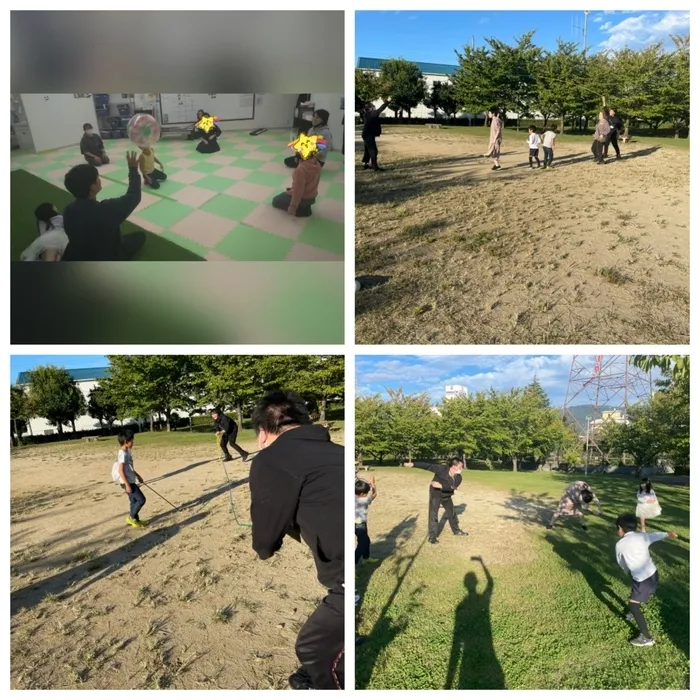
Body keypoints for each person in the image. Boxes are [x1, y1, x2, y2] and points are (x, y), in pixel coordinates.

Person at [249, 390, 344, 691]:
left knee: (311, 647)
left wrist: (267, 548)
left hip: (343, 575)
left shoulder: (270, 459)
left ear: (263, 432)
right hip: (348, 562)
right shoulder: (337, 452)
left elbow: (265, 539)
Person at [62, 152, 145, 261]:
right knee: (140, 236)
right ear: (92, 187)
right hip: (106, 258)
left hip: (77, 256)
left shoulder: (68, 210)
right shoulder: (106, 210)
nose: (99, 179)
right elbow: (134, 196)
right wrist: (133, 169)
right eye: (97, 178)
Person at [614, 513, 678, 647]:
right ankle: (633, 611)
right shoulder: (642, 536)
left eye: (617, 528)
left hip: (642, 579)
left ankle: (646, 637)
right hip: (653, 574)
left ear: (620, 528)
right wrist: (668, 534)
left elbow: (621, 562)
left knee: (633, 604)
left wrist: (627, 571)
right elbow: (655, 535)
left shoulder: (620, 544)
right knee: (636, 593)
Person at [417, 458, 468, 544]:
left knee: (451, 512)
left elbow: (452, 488)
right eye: (460, 466)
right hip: (435, 493)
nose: (462, 468)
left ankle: (456, 531)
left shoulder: (459, 478)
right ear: (454, 466)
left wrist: (440, 486)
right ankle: (432, 537)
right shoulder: (441, 469)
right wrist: (413, 464)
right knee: (433, 514)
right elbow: (428, 466)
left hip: (446, 495)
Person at [272, 136, 322, 217]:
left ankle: (300, 209)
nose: (296, 151)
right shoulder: (317, 163)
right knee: (285, 194)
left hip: (302, 197)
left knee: (275, 201)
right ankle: (305, 206)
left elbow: (298, 190)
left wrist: (293, 207)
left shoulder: (301, 169)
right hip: (312, 196)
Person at [111, 430, 149, 528]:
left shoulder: (127, 451)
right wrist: (127, 485)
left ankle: (135, 520)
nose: (133, 443)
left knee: (133, 501)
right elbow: (121, 471)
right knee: (141, 500)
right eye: (131, 441)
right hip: (126, 482)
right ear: (125, 442)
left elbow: (130, 468)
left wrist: (138, 475)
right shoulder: (122, 454)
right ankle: (131, 517)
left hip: (130, 480)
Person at [361, 97, 392, 171]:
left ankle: (365, 164)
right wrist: (388, 101)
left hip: (366, 134)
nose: (374, 108)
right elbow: (381, 108)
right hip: (369, 135)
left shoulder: (366, 114)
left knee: (367, 150)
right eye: (373, 106)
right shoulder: (373, 114)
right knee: (373, 150)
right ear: (370, 108)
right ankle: (374, 167)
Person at [355, 476, 379, 566]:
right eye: (366, 493)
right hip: (360, 525)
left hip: (355, 524)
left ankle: (366, 558)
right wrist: (373, 484)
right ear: (361, 494)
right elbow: (374, 494)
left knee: (366, 541)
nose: (367, 494)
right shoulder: (364, 500)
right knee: (362, 545)